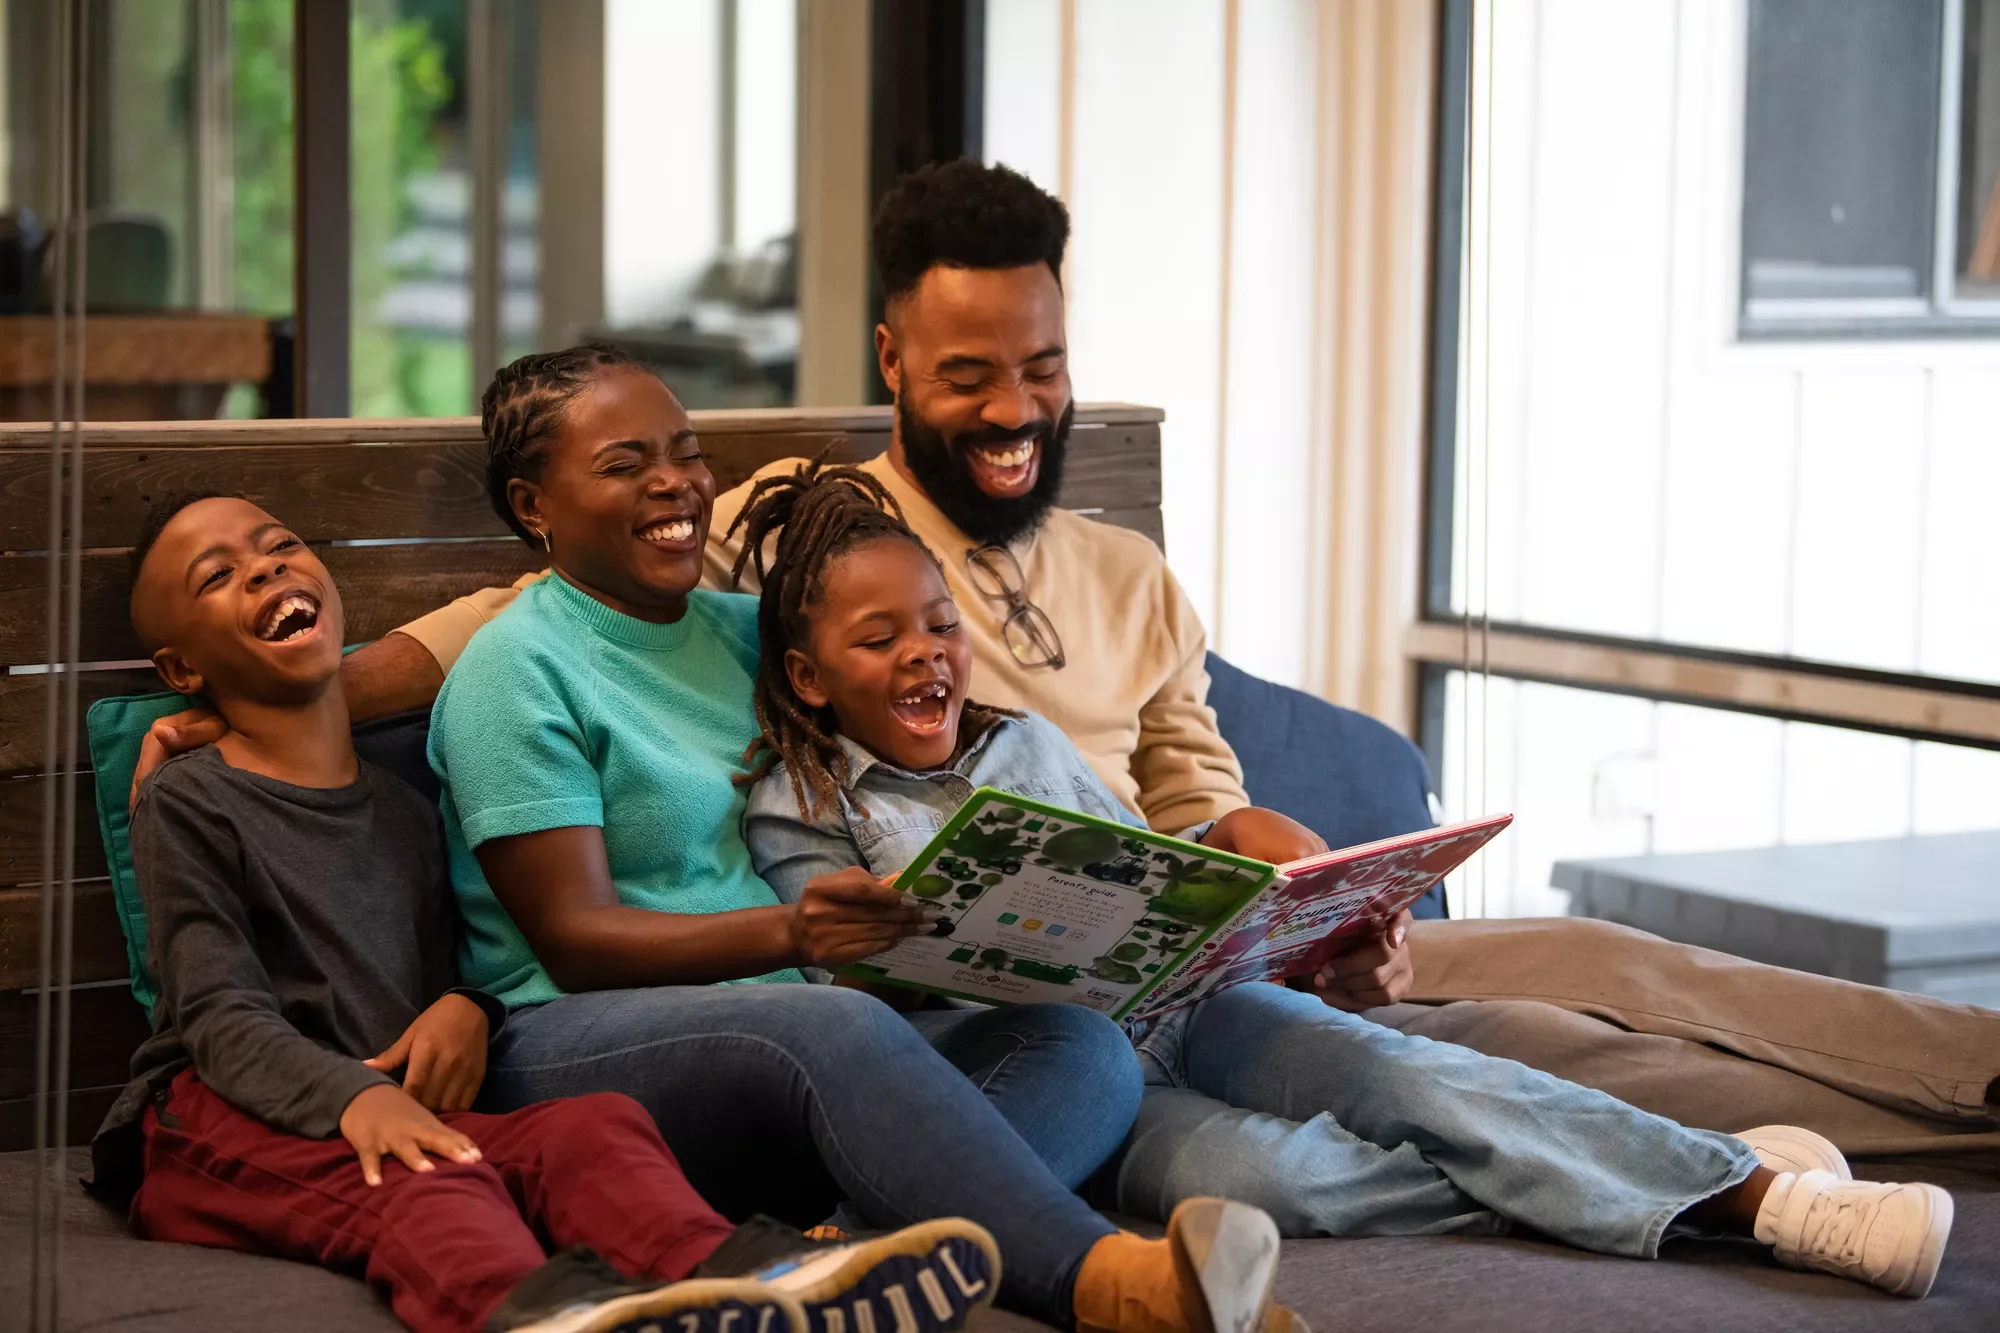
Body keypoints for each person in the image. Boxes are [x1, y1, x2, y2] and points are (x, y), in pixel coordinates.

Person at [135, 158, 2000, 1157]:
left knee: (1591, 963)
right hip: (994, 967)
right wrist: (238, 702)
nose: (1014, 410)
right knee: (1532, 1041)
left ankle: (1950, 1095)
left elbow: (1203, 795)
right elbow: (509, 633)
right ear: (894, 368)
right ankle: (1762, 1160)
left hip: (1179, 924)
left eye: (1039, 370)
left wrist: (1316, 888)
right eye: (970, 379)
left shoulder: (1127, 572)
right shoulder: (808, 533)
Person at [727, 457, 1959, 1299]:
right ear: (805, 673)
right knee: (1270, 1184)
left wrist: (1237, 887)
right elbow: (858, 1021)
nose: (926, 654)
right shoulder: (798, 805)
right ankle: (1679, 1176)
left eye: (938, 624)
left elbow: (1141, 868)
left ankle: (1762, 1199)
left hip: (1190, 1009)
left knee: (1401, 1071)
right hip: (1068, 1081)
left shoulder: (1027, 741)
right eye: (878, 638)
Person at [423, 344, 1305, 1333]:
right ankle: (1117, 1288)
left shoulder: (744, 632)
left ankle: (828, 1266)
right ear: (533, 505)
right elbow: (574, 939)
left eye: (684, 451)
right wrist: (794, 937)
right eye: (624, 464)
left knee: (1078, 1045)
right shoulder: (515, 670)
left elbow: (922, 707)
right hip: (573, 1039)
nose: (674, 482)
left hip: (793, 1030)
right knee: (837, 1026)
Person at [95, 490, 1010, 1333]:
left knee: (592, 1127)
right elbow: (216, 1016)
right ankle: (546, 1315)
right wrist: (353, 1096)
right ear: (180, 664)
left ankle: (758, 1283)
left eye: (280, 546)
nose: (264, 569)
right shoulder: (189, 799)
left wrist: (470, 1007)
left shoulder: (405, 809)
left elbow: (452, 966)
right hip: (214, 1119)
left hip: (393, 1104)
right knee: (433, 1186)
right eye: (218, 576)